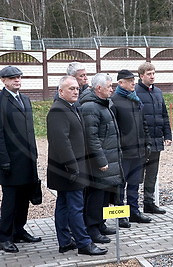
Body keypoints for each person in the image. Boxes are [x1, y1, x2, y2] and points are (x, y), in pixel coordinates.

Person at [47, 76, 107, 255]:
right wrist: (73, 167)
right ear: (60, 92)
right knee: (75, 207)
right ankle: (84, 243)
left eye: (76, 88)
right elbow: (61, 142)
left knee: (64, 205)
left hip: (70, 168)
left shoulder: (72, 108)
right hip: (68, 170)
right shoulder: (58, 111)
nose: (75, 91)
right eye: (70, 89)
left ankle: (65, 242)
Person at [0, 66, 42, 253]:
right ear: (3, 80)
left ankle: (19, 230)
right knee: (10, 200)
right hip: (10, 160)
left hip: (27, 160)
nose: (17, 80)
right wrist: (3, 160)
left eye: (18, 77)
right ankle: (4, 237)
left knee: (24, 198)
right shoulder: (1, 101)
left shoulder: (24, 99)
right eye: (13, 78)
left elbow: (30, 130)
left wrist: (34, 153)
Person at [80, 73, 123, 242]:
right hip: (100, 163)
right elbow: (91, 138)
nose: (112, 90)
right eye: (109, 87)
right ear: (98, 88)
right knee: (96, 196)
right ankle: (92, 228)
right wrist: (101, 160)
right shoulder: (91, 107)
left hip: (110, 158)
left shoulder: (104, 104)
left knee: (105, 194)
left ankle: (101, 224)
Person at [111, 69, 152, 224]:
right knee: (120, 185)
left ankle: (134, 211)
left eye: (133, 80)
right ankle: (120, 214)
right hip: (123, 151)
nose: (133, 83)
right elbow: (113, 129)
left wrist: (147, 142)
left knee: (134, 183)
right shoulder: (114, 101)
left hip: (138, 150)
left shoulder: (136, 100)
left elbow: (144, 123)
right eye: (129, 81)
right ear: (120, 83)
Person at [135, 62, 172, 215]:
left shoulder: (158, 92)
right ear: (141, 75)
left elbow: (163, 114)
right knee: (137, 175)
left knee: (152, 174)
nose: (152, 76)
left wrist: (167, 134)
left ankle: (149, 203)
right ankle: (133, 206)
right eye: (149, 74)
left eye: (153, 73)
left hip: (157, 140)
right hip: (142, 142)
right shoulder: (135, 92)